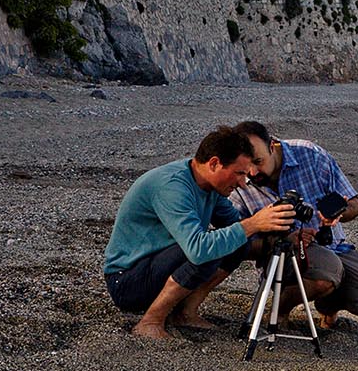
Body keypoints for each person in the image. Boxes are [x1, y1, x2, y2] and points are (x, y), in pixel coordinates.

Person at [102, 126, 295, 341]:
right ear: (213, 163)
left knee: (235, 243)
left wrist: (275, 230)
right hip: (127, 282)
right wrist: (253, 224)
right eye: (239, 173)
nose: (243, 182)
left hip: (157, 267)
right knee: (205, 249)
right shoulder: (172, 187)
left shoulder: (209, 186)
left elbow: (236, 227)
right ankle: (150, 321)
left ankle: (185, 313)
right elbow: (199, 250)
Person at [230, 121, 358, 330]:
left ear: (272, 145)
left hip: (334, 246)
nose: (253, 173)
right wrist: (278, 238)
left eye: (258, 161)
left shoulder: (309, 155)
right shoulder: (236, 181)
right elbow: (238, 245)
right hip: (279, 257)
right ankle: (280, 310)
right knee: (328, 271)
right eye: (246, 166)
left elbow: (355, 204)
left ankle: (328, 305)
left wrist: (338, 213)